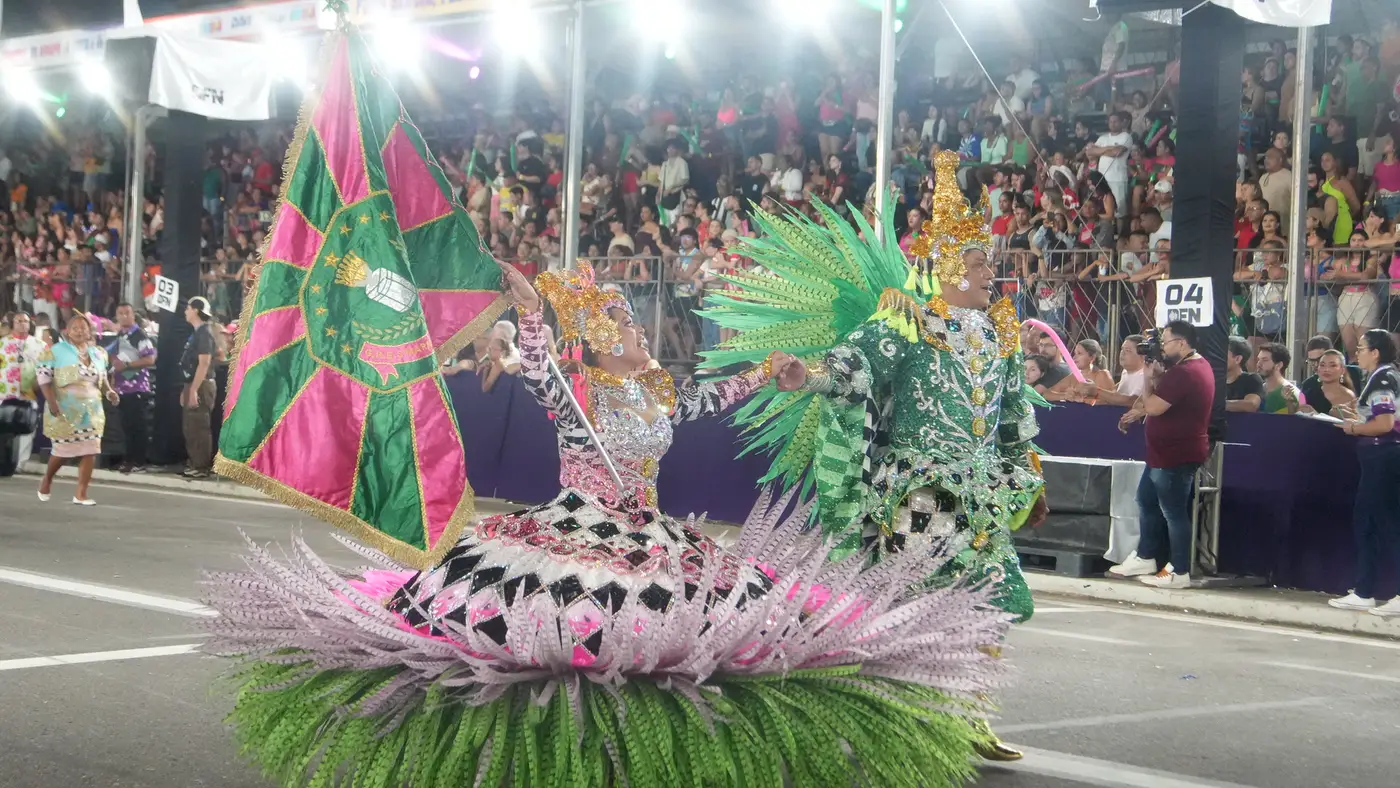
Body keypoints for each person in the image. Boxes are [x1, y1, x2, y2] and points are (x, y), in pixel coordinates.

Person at [206, 261, 1013, 786]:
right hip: (575, 531)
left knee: (677, 633)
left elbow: (708, 400)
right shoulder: (578, 395)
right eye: (622, 326)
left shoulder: (656, 392)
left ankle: (631, 751)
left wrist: (768, 374)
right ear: (598, 343)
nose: (636, 332)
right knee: (565, 636)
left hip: (648, 529)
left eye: (631, 323)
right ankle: (547, 752)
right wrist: (532, 315)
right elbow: (541, 374)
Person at [708, 151, 1049, 761]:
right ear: (948, 265)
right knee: (917, 604)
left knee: (991, 600)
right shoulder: (907, 323)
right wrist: (807, 376)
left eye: (988, 263)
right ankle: (914, 720)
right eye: (978, 263)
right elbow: (852, 369)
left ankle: (970, 715)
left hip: (983, 494)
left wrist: (1031, 479)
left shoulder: (1000, 333)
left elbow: (1014, 417)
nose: (988, 274)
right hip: (921, 494)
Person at [1111, 321, 1215, 588]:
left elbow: (1154, 407)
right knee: (1146, 499)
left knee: (1173, 513)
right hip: (1162, 453)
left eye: (1165, 342)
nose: (1162, 348)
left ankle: (1179, 572)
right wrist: (1157, 378)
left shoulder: (1185, 372)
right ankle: (1146, 556)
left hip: (1176, 454)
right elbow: (1168, 398)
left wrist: (1147, 380)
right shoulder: (1192, 367)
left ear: (1182, 343)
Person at [1330, 329, 1400, 616]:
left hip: (1383, 456)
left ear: (1375, 352)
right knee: (1370, 523)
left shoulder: (1383, 378)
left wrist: (1354, 428)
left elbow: (1384, 423)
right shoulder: (1385, 376)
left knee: (1384, 524)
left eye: (1361, 348)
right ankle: (1364, 590)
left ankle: (1372, 591)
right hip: (1380, 457)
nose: (1356, 354)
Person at [35, 313, 119, 505]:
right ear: (67, 332)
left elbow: (102, 379)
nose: (80, 331)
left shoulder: (99, 353)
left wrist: (109, 392)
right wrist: (52, 402)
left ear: (90, 331)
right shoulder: (56, 352)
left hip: (92, 411)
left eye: (83, 328)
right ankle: (47, 479)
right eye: (75, 328)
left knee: (90, 450)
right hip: (65, 409)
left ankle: (81, 493)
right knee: (62, 452)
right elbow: (44, 380)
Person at [108, 303, 156, 472]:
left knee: (138, 426)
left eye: (127, 313)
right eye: (120, 313)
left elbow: (150, 359)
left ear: (133, 315)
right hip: (122, 388)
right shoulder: (120, 335)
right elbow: (115, 361)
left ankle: (139, 461)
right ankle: (128, 460)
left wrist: (128, 365)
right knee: (126, 426)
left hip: (137, 387)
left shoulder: (139, 335)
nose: (124, 316)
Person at [0, 311, 44, 467]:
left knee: (27, 425)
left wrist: (38, 383)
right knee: (4, 426)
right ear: (12, 324)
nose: (22, 324)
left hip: (28, 392)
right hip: (4, 392)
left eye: (25, 321)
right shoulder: (2, 343)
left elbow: (46, 368)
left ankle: (20, 463)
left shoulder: (39, 345)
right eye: (18, 321)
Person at [180, 297, 216, 479]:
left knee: (199, 426)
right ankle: (194, 462)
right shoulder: (197, 333)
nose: (185, 311)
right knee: (190, 426)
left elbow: (204, 363)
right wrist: (186, 388)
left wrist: (194, 389)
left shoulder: (204, 334)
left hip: (201, 385)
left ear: (195, 310)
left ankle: (201, 466)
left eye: (188, 308)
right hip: (192, 383)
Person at [1300, 348, 1358, 417]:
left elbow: (1352, 420)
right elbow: (1299, 411)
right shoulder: (1308, 390)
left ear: (1342, 370)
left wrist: (1317, 415)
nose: (1326, 369)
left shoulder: (1348, 396)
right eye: (1322, 365)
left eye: (1333, 365)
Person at [1256, 342, 1302, 414]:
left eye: (1264, 360)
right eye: (1258, 359)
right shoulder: (1256, 391)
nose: (1258, 364)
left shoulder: (1294, 394)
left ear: (1279, 365)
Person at [1224, 337, 1265, 412]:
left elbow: (1251, 405)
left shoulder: (1251, 379)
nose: (1217, 357)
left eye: (1223, 354)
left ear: (1238, 359)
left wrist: (1217, 404)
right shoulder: (1214, 380)